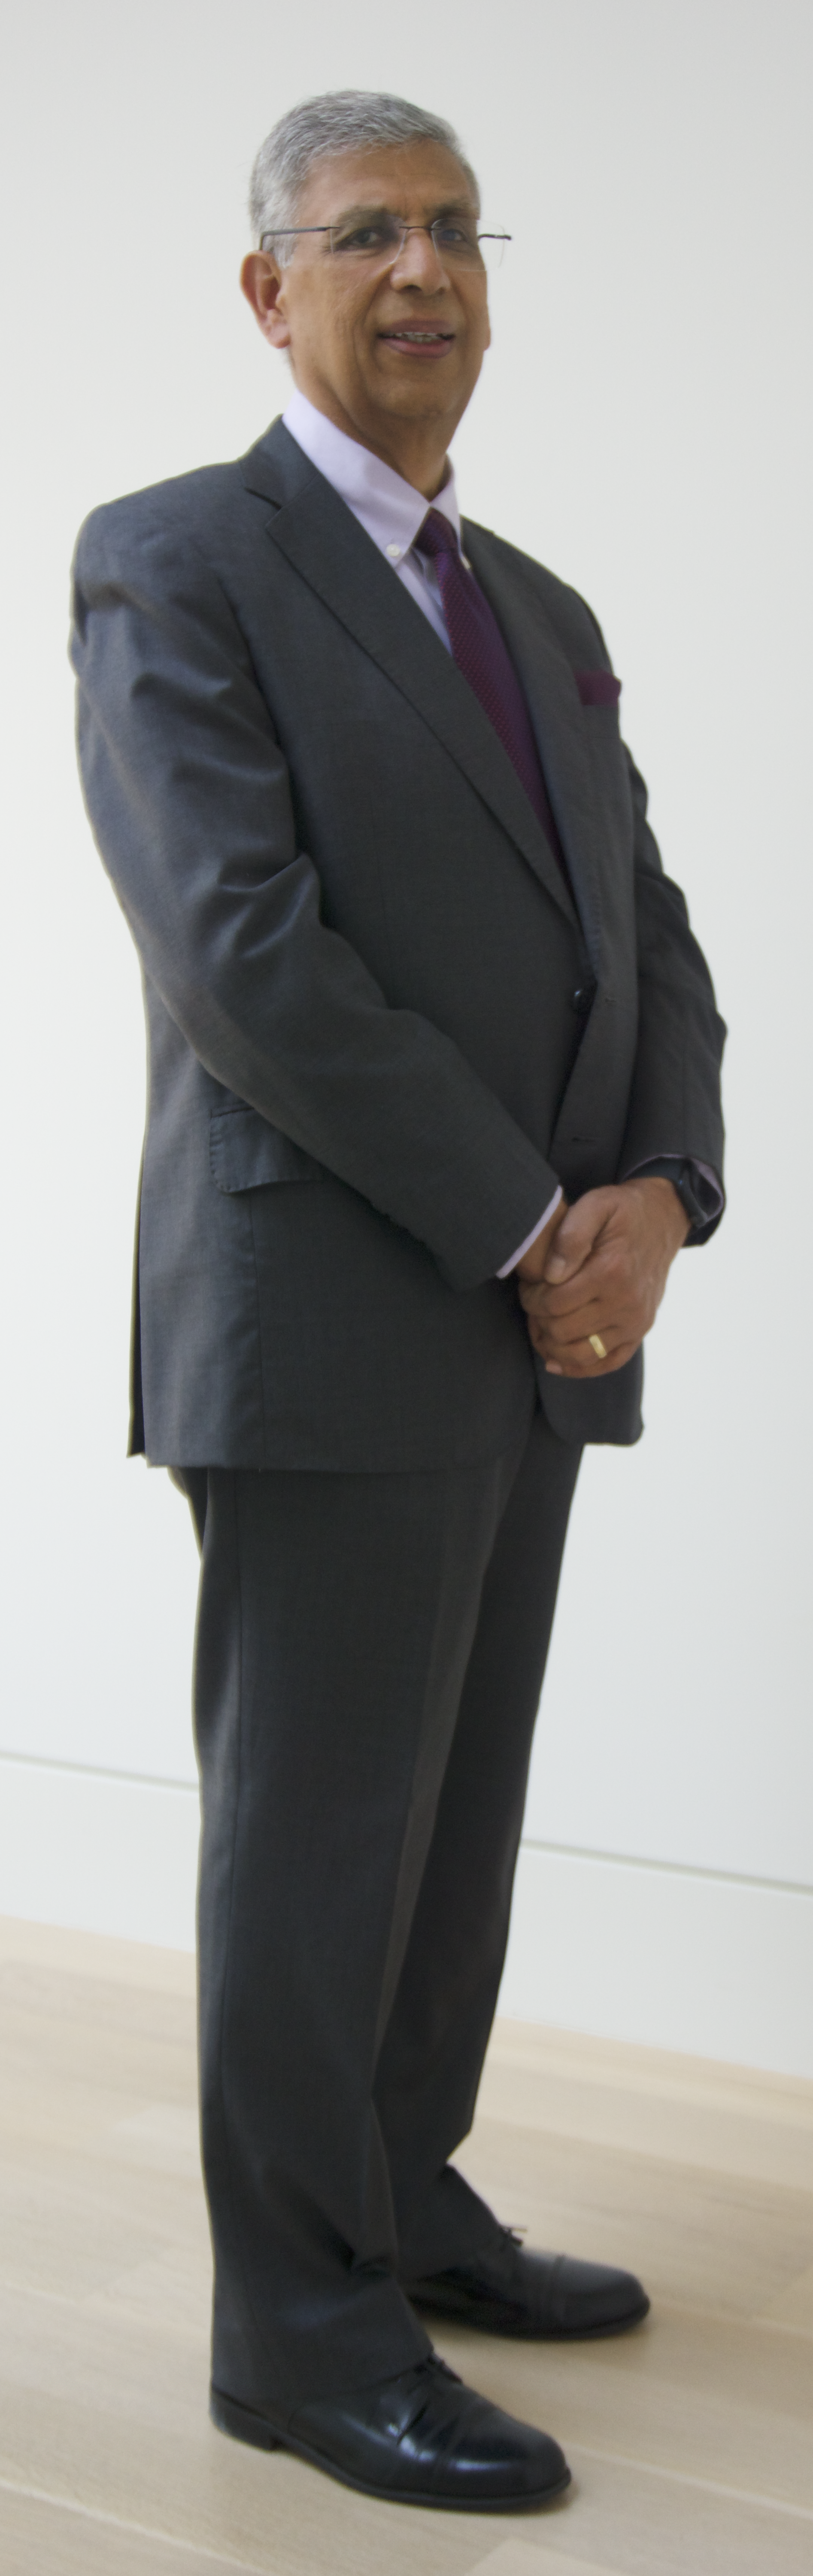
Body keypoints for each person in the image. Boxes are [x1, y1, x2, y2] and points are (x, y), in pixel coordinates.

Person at [70, 90, 725, 2516]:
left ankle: (403, 2193)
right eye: (371, 233)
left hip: (542, 1325)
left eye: (461, 230)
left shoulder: (537, 609)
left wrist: (659, 1183)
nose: (427, 271)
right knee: (323, 1840)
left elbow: (641, 931)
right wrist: (525, 1219)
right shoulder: (176, 563)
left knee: (454, 1833)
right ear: (272, 286)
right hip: (336, 1312)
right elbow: (248, 956)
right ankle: (296, 2327)